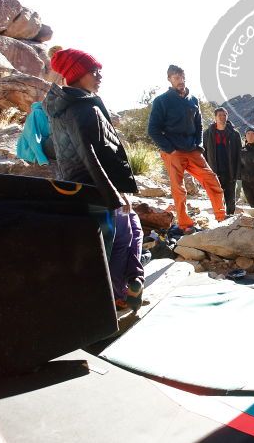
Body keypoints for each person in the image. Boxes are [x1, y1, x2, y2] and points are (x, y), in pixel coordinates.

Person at [42, 48, 144, 311]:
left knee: (129, 230)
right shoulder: (81, 108)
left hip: (86, 186)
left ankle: (123, 288)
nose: (100, 76)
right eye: (93, 71)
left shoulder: (71, 104)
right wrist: (115, 195)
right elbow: (91, 156)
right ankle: (112, 297)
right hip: (94, 188)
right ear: (77, 74)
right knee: (116, 241)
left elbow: (60, 148)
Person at [147, 65, 226, 233]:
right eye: (176, 78)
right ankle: (185, 225)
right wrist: (169, 149)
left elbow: (199, 125)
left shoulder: (193, 100)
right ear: (169, 79)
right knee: (178, 189)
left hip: (192, 150)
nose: (180, 81)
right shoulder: (162, 101)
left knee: (212, 180)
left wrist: (199, 146)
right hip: (173, 151)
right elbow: (153, 129)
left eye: (182, 77)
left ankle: (221, 217)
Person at [202, 107, 242, 214]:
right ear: (215, 117)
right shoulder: (207, 134)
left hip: (230, 171)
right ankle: (220, 218)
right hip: (214, 171)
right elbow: (204, 154)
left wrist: (238, 172)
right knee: (217, 198)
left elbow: (239, 154)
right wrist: (206, 171)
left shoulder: (234, 134)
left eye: (224, 115)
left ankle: (230, 218)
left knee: (230, 199)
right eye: (219, 115)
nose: (222, 117)